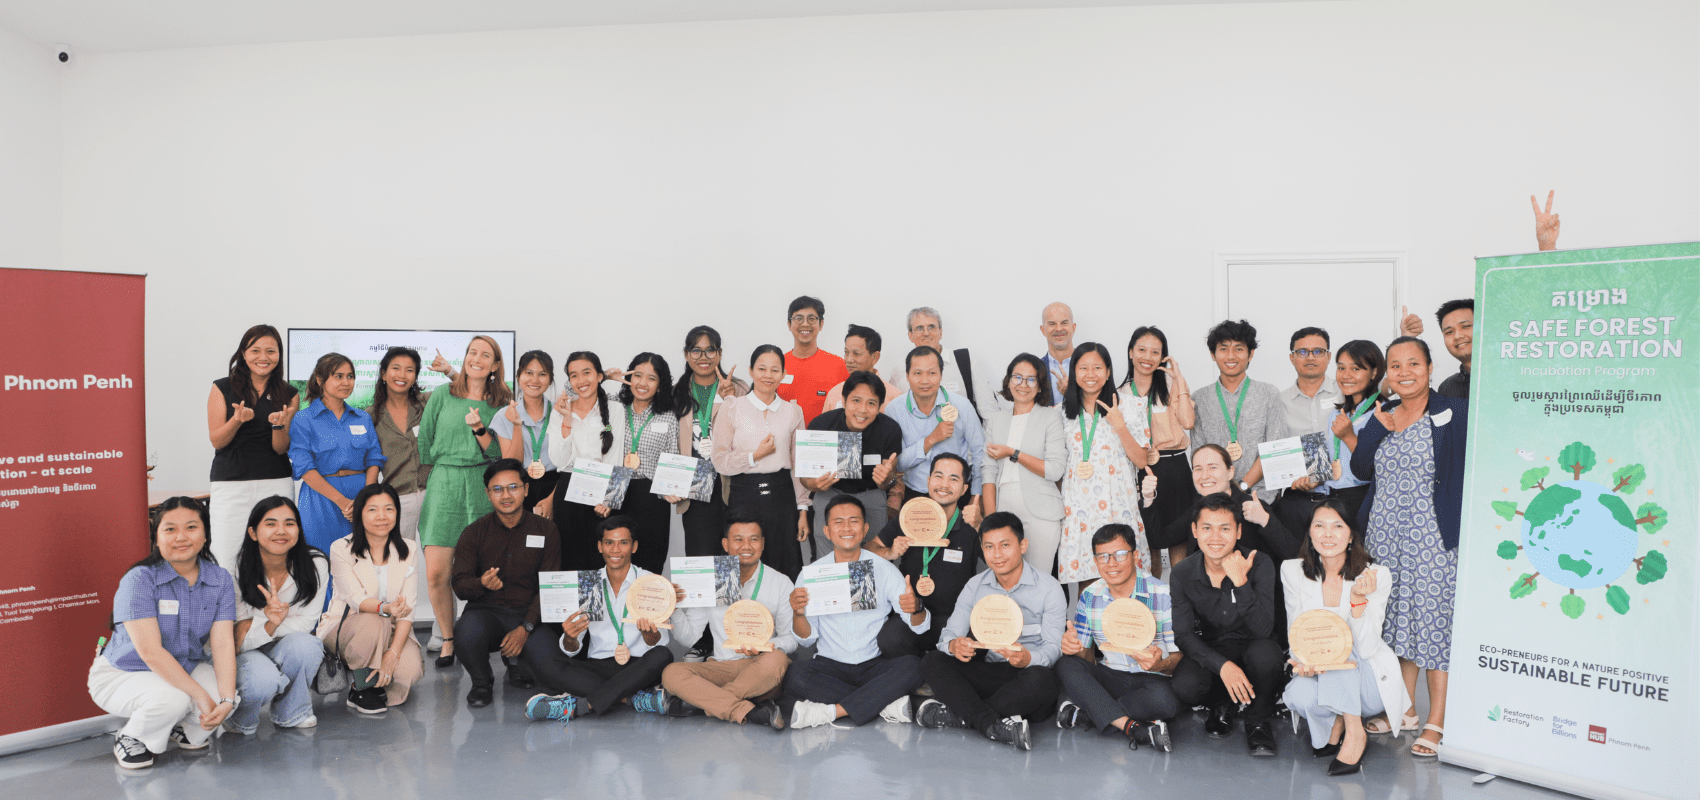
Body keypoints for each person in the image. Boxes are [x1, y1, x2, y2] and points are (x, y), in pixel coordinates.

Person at [1350, 336, 1467, 758]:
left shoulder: (1456, 415)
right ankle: (1407, 708)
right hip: (1385, 535)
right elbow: (1361, 469)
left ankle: (1437, 719)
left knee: (1433, 624)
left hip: (1433, 538)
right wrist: (1376, 430)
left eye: (1413, 363)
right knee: (1396, 621)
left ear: (1430, 367)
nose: (1404, 372)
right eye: (1395, 366)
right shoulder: (1384, 415)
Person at [88, 497, 238, 769]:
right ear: (156, 538)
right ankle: (131, 736)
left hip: (183, 665)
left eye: (191, 527)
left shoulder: (220, 579)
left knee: (225, 696)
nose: (181, 537)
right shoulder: (139, 579)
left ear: (205, 534)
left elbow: (224, 644)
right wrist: (200, 697)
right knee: (176, 698)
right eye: (170, 529)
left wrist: (226, 699)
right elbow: (150, 653)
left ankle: (180, 730)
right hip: (125, 672)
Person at [916, 513, 1066, 751]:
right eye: (989, 547)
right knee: (932, 661)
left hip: (1024, 675)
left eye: (1005, 545)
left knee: (1044, 681)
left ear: (1022, 545)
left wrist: (1027, 658)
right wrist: (955, 646)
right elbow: (948, 636)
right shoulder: (975, 586)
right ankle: (991, 723)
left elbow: (1053, 648)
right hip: (986, 671)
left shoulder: (1049, 588)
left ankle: (962, 714)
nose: (997, 555)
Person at [1281, 499, 1407, 776]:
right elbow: (1297, 630)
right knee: (1300, 695)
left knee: (1339, 642)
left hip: (1367, 679)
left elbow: (1368, 645)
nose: (1328, 534)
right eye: (1320, 526)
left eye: (1338, 526)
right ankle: (1337, 718)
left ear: (1351, 535)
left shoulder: (1376, 575)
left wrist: (1358, 601)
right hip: (1320, 669)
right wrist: (1306, 660)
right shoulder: (1292, 570)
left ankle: (1354, 732)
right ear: (1309, 534)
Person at [784, 495, 929, 728]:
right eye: (838, 522)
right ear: (827, 531)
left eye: (854, 521)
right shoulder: (813, 573)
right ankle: (882, 702)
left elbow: (919, 625)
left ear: (865, 528)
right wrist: (798, 614)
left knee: (914, 666)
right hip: (829, 665)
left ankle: (833, 712)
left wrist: (916, 608)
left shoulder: (884, 569)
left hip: (873, 664)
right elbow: (806, 640)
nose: (847, 528)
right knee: (795, 675)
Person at [522, 517, 677, 721]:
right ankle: (632, 699)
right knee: (548, 665)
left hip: (638, 665)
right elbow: (571, 647)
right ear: (600, 547)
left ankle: (579, 706)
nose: (615, 550)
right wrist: (570, 637)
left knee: (663, 656)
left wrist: (650, 636)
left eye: (623, 543)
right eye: (609, 543)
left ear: (634, 547)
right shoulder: (588, 584)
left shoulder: (650, 583)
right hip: (599, 667)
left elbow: (660, 642)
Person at [416, 335, 509, 669]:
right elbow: (425, 442)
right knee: (437, 573)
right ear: (465, 357)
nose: (477, 359)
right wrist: (441, 474)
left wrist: (480, 432)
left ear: (496, 365)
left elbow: (502, 452)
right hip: (444, 483)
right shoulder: (443, 394)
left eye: (486, 355)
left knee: (487, 572)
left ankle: (483, 637)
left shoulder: (502, 401)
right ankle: (448, 639)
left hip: (483, 484)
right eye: (473, 352)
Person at [1168, 494, 1283, 757]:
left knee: (1268, 657)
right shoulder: (1183, 571)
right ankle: (1222, 704)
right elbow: (1183, 635)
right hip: (1214, 649)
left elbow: (1264, 629)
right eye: (1207, 528)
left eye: (1225, 528)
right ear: (1195, 531)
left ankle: (1258, 718)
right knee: (1185, 685)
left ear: (1239, 531)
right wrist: (1222, 666)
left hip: (1253, 645)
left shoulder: (1260, 562)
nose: (1216, 537)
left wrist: (1241, 582)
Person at [659, 511, 796, 728]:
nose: (746, 546)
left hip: (759, 667)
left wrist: (765, 646)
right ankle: (748, 711)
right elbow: (690, 638)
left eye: (753, 539)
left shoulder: (781, 582)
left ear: (762, 544)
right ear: (725, 544)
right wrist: (673, 608)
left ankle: (707, 701)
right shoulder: (708, 580)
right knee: (672, 673)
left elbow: (791, 639)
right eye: (738, 539)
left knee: (778, 659)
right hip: (721, 668)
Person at [1055, 523, 1180, 750]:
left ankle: (1087, 712)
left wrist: (1160, 664)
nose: (1111, 563)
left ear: (1135, 555)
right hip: (1110, 675)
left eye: (1120, 554)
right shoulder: (1090, 595)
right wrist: (1073, 647)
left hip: (1151, 678)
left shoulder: (1161, 593)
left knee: (1166, 703)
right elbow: (1085, 656)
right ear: (1095, 560)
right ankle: (1133, 727)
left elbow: (1178, 656)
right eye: (1102, 556)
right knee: (1066, 664)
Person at [451, 459, 562, 708]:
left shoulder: (547, 530)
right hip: (486, 613)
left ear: (526, 489)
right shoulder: (473, 532)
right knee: (466, 634)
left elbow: (550, 586)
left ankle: (518, 665)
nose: (506, 495)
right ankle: (482, 681)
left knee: (551, 674)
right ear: (488, 494)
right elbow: (459, 585)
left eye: (513, 487)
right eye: (497, 489)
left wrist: (526, 628)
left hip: (529, 613)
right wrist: (481, 583)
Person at [321, 483, 424, 713]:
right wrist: (386, 607)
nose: (382, 516)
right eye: (372, 510)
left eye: (389, 509)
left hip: (391, 630)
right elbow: (356, 599)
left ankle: (374, 674)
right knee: (375, 619)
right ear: (359, 514)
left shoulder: (409, 548)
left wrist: (392, 654)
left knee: (409, 670)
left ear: (397, 513)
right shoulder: (341, 548)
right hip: (346, 627)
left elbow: (409, 607)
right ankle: (360, 687)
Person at [227, 497, 327, 735]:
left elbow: (306, 623)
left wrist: (261, 626)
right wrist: (268, 623)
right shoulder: (236, 569)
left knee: (307, 645)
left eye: (289, 523)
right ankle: (241, 719)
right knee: (263, 678)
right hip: (248, 652)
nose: (281, 531)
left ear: (298, 529)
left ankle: (293, 711)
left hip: (282, 644)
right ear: (253, 532)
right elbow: (237, 637)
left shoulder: (315, 563)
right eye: (270, 524)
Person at [867, 453, 981, 658]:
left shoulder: (970, 524)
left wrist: (981, 526)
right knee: (889, 640)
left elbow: (1001, 563)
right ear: (928, 481)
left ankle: (932, 669)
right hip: (913, 613)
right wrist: (889, 552)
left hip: (957, 617)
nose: (944, 484)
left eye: (953, 479)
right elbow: (869, 549)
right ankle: (922, 671)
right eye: (938, 476)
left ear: (964, 489)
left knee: (977, 643)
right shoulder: (910, 516)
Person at [710, 345, 809, 578]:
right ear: (751, 371)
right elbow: (720, 461)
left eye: (775, 370)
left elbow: (799, 464)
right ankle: (744, 616)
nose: (768, 375)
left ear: (783, 374)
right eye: (762, 368)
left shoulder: (793, 411)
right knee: (743, 563)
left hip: (782, 494)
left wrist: (802, 509)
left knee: (785, 562)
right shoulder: (732, 407)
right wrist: (754, 456)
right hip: (743, 494)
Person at [1058, 342, 1150, 589]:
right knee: (1089, 582)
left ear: (1108, 372)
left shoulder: (1130, 406)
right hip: (1079, 510)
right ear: (1074, 372)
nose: (1090, 375)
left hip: (1118, 505)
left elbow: (1142, 460)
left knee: (1126, 578)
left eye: (1097, 367)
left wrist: (1119, 425)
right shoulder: (1061, 413)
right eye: (1083, 368)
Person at [206, 325, 299, 568]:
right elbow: (217, 441)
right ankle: (229, 607)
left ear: (279, 355)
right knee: (227, 555)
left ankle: (272, 606)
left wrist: (278, 427)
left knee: (275, 555)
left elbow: (281, 449)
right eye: (255, 350)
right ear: (243, 354)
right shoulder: (222, 388)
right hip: (230, 483)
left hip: (275, 482)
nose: (263, 357)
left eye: (271, 351)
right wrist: (236, 421)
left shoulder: (289, 393)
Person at [367, 346, 435, 645]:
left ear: (416, 376)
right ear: (383, 373)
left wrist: (448, 370)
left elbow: (466, 389)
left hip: (435, 494)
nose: (402, 375)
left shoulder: (430, 404)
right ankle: (397, 633)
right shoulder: (370, 416)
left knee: (437, 567)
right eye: (395, 368)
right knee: (398, 569)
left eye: (410, 370)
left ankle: (443, 630)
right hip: (397, 499)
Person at [288, 352, 385, 553]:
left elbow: (374, 458)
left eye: (350, 376)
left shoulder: (362, 418)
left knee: (362, 562)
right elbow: (304, 467)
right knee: (322, 562)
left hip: (361, 497)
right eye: (338, 376)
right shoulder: (303, 419)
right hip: (321, 499)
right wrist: (343, 502)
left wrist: (364, 499)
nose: (346, 382)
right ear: (320, 380)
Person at [981, 354, 1066, 576]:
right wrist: (990, 520)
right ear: (1009, 381)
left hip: (1041, 513)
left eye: (1031, 379)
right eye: (1017, 377)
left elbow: (1055, 469)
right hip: (1003, 506)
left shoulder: (1050, 417)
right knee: (1005, 580)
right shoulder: (995, 420)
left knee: (1038, 580)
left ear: (1039, 386)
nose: (1023, 384)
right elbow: (988, 473)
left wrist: (1013, 453)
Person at [803, 371, 903, 561]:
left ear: (880, 406)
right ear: (844, 400)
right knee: (828, 555)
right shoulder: (822, 425)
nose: (862, 410)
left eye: (871, 403)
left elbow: (889, 481)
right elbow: (805, 478)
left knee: (873, 554)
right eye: (856, 400)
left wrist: (886, 479)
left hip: (871, 493)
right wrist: (813, 484)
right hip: (830, 491)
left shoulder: (890, 429)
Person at [1121, 326, 1196, 575]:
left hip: (1175, 470)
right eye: (1142, 350)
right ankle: (1150, 610)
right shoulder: (1120, 394)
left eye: (1155, 352)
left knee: (1179, 547)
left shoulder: (1170, 385)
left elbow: (1188, 422)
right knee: (1147, 546)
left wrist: (1179, 380)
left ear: (1163, 356)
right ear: (1131, 352)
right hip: (1140, 471)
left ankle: (1181, 609)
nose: (1147, 357)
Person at [603, 352, 686, 576]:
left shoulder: (668, 416)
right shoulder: (613, 406)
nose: (642, 383)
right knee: (614, 559)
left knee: (651, 559)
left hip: (651, 497)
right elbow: (572, 392)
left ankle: (649, 609)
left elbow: (673, 457)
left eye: (651, 378)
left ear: (660, 385)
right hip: (614, 493)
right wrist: (604, 376)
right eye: (637, 375)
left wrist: (672, 488)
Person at [1190, 320, 1289, 503]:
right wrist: (1221, 491)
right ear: (1213, 354)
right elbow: (1199, 452)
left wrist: (1241, 487)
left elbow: (1272, 450)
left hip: (1261, 497)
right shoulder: (1199, 398)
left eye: (1239, 348)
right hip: (1214, 498)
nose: (1231, 356)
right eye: (1223, 349)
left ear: (1250, 354)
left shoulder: (1269, 394)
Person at [674, 326, 750, 558]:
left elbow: (750, 432)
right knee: (701, 556)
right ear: (686, 354)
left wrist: (731, 399)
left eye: (710, 351)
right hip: (695, 488)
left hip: (732, 485)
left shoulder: (739, 388)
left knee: (735, 555)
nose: (703, 358)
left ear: (719, 353)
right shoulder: (676, 393)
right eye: (696, 351)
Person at [546, 351, 618, 571]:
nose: (580, 381)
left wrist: (609, 499)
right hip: (569, 488)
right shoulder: (559, 411)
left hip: (601, 492)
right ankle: (573, 607)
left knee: (600, 560)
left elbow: (614, 457)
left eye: (587, 373)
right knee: (568, 558)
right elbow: (558, 460)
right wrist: (567, 418)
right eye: (573, 376)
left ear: (599, 376)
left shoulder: (614, 410)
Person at [891, 346, 987, 507]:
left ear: (941, 375)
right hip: (915, 494)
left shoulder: (962, 406)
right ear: (907, 375)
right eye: (917, 373)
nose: (925, 380)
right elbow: (897, 463)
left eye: (932, 373)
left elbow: (980, 452)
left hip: (957, 495)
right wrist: (931, 440)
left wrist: (976, 496)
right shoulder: (894, 410)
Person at [1271, 327, 1342, 537]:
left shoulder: (1347, 390)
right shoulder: (1278, 401)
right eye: (1302, 352)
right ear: (1292, 358)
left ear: (1329, 356)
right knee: (1296, 562)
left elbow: (1383, 388)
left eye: (1318, 351)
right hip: (1297, 501)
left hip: (1342, 498)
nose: (1310, 357)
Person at [890, 307, 1002, 418]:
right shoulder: (900, 368)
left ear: (940, 332)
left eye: (931, 327)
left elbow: (990, 414)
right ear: (910, 336)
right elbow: (894, 414)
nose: (926, 333)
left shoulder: (965, 362)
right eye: (919, 328)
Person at [1319, 340, 1385, 523]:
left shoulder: (1383, 412)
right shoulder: (1335, 413)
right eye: (1341, 368)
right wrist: (1311, 479)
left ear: (1374, 372)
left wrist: (1349, 436)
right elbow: (1329, 456)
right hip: (1331, 497)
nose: (1346, 375)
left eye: (1355, 369)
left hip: (1364, 499)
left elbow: (1377, 467)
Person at [491, 350, 561, 519]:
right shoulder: (504, 415)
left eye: (542, 374)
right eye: (529, 373)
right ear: (518, 376)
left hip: (557, 487)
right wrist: (516, 425)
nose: (535, 380)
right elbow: (512, 464)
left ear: (550, 379)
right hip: (520, 488)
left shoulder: (560, 412)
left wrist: (553, 499)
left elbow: (570, 464)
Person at [776, 296, 848, 424]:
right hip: (784, 442)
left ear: (821, 324)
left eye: (811, 319)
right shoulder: (777, 364)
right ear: (789, 324)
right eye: (798, 319)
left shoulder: (838, 365)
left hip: (826, 441)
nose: (805, 324)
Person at [823, 324, 900, 412]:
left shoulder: (894, 397)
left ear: (875, 357)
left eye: (856, 354)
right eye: (846, 352)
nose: (849, 360)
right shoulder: (835, 393)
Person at [1038, 302, 1077, 406]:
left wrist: (1071, 394)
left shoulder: (1091, 365)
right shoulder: (1035, 369)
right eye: (1052, 324)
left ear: (1073, 327)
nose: (1059, 329)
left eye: (1064, 323)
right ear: (1043, 330)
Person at [1435, 299, 1474, 400]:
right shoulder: (1446, 388)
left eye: (1465, 326)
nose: (1457, 336)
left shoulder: (1515, 376)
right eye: (1449, 332)